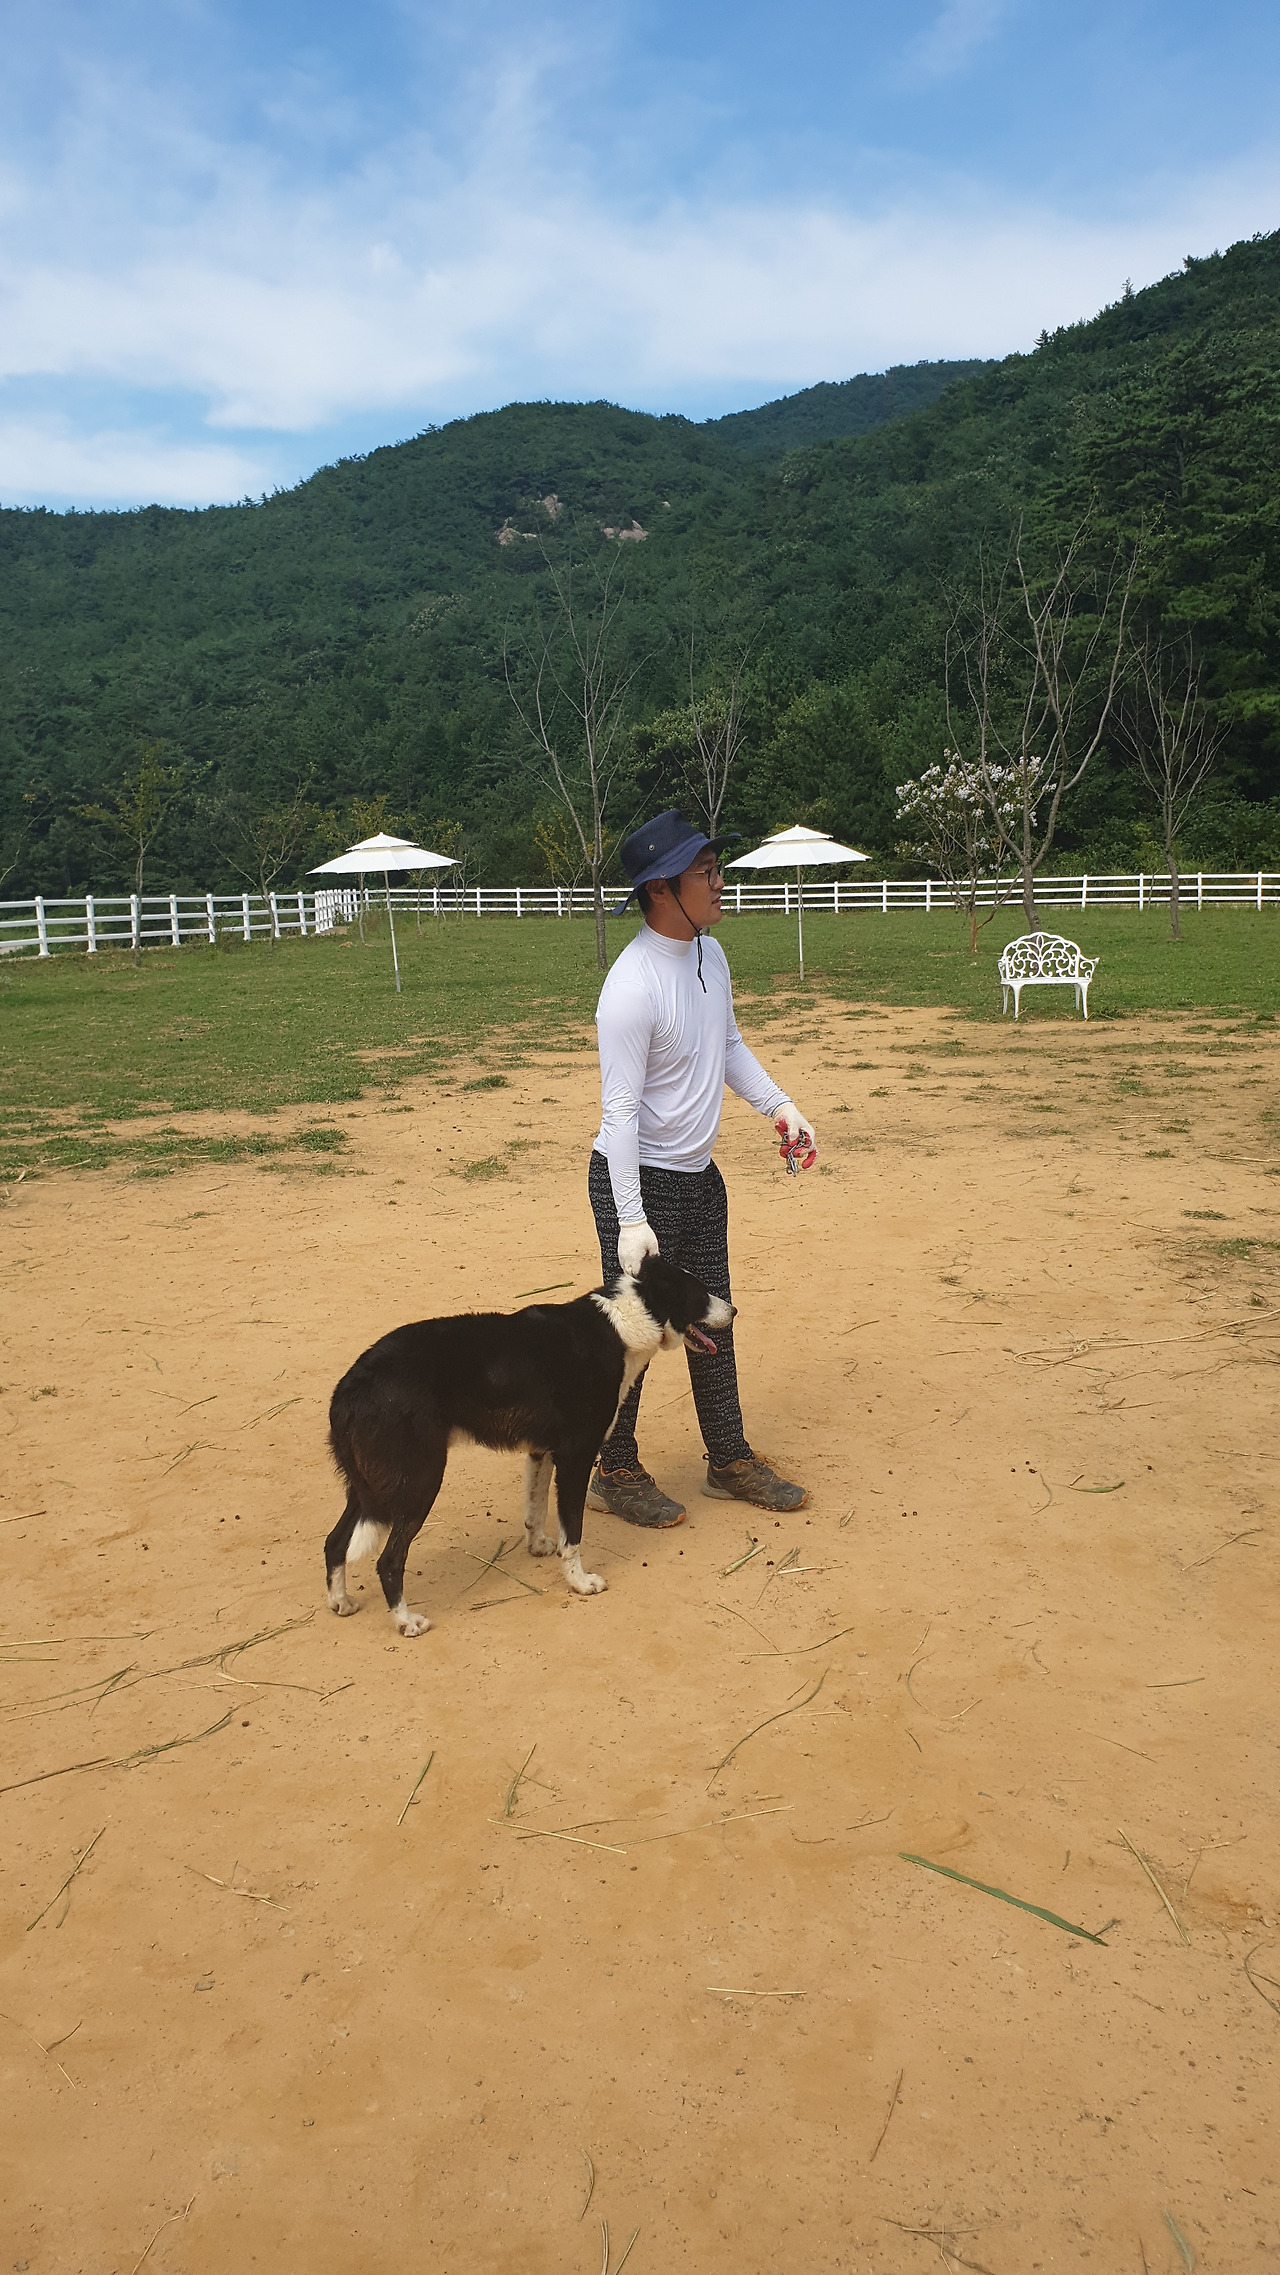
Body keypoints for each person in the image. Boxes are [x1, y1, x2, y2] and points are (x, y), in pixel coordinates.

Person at [585, 808, 818, 1528]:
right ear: (660, 889)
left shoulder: (710, 957)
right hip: (637, 1183)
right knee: (633, 1332)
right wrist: (630, 1219)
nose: (720, 882)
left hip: (698, 1178)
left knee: (713, 1315)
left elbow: (728, 1046)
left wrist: (780, 1107)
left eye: (717, 868)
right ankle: (613, 1468)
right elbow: (620, 1114)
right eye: (706, 872)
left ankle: (728, 1457)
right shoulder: (631, 988)